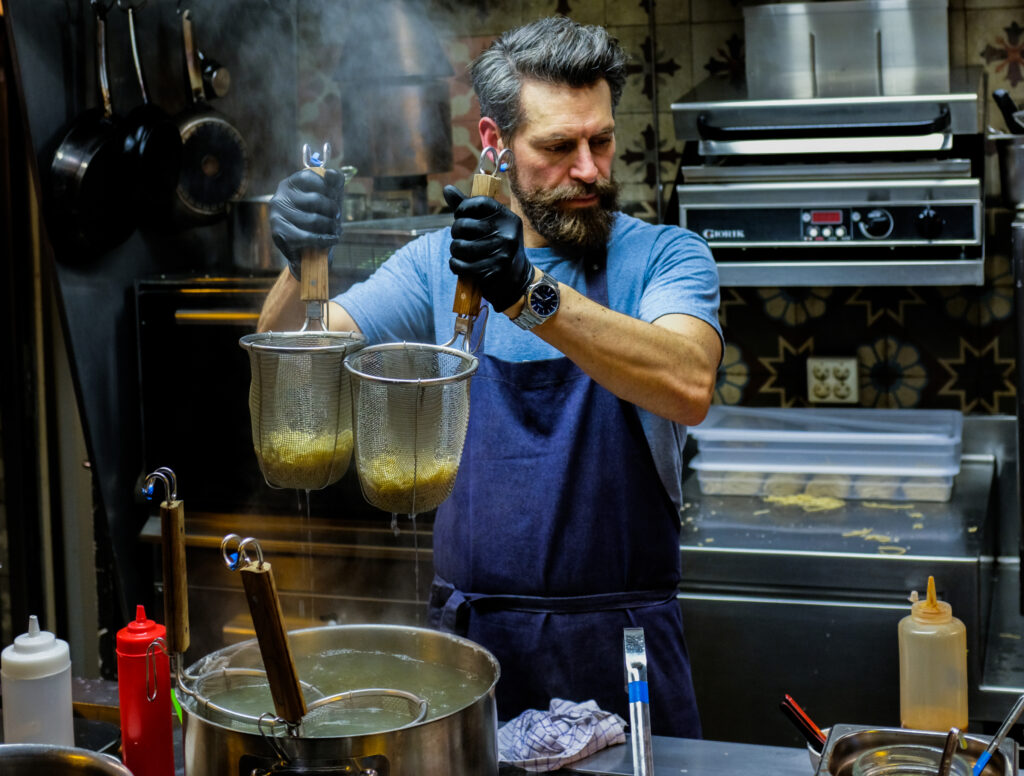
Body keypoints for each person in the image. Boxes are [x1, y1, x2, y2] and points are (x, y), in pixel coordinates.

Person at [258, 16, 722, 738]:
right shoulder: (434, 265)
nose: (590, 169)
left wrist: (523, 290)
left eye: (601, 140)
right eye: (558, 147)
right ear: (494, 144)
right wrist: (295, 260)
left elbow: (687, 384)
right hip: (473, 656)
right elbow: (298, 361)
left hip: (621, 655)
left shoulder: (667, 257)